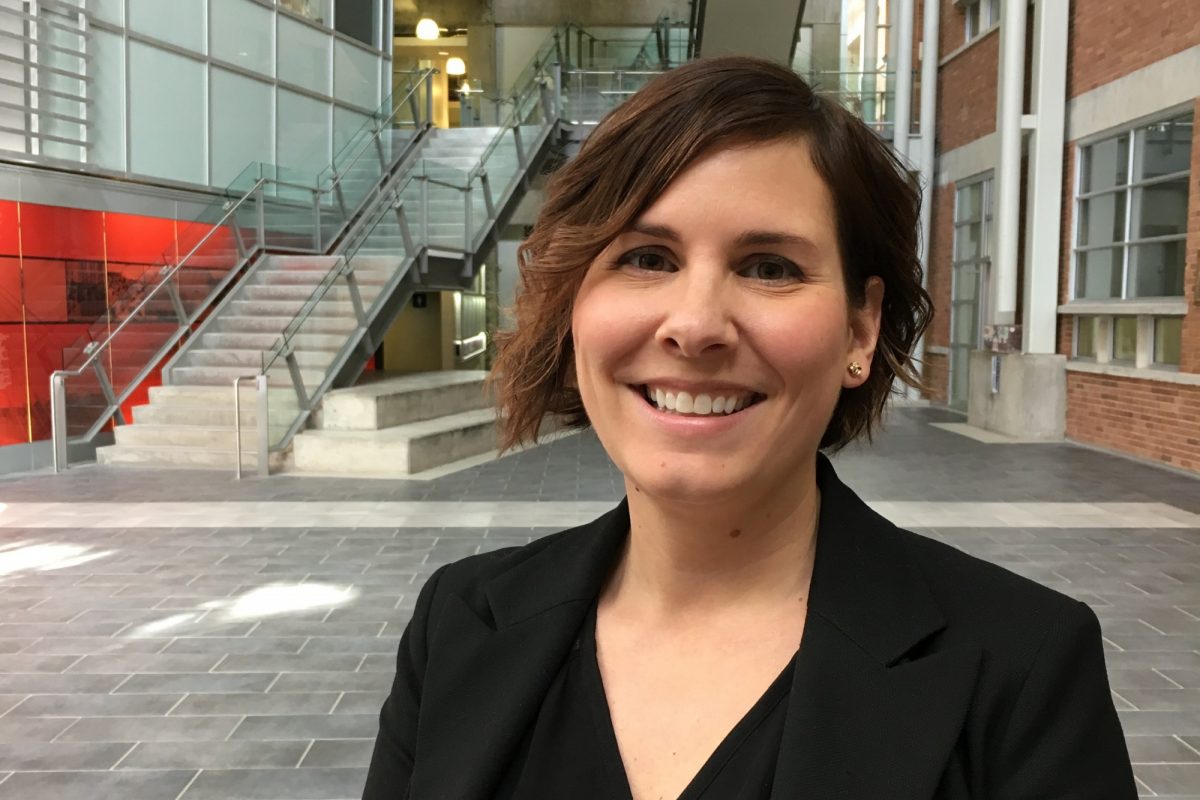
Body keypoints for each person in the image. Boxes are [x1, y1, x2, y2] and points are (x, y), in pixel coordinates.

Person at [363, 56, 1136, 799]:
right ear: (572, 305)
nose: (695, 326)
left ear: (861, 331)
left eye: (769, 267)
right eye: (644, 257)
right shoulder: (458, 624)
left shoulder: (1024, 666)